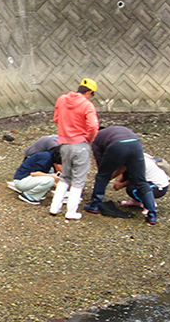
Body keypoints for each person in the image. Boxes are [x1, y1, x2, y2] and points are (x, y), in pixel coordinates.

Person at [84, 125, 158, 224]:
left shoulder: (97, 139)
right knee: (141, 181)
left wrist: (107, 174)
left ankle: (94, 206)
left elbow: (100, 164)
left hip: (117, 145)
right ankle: (152, 215)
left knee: (101, 177)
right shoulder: (116, 130)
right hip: (136, 144)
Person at [50, 78, 100, 219]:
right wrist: (88, 138)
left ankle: (55, 207)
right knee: (78, 180)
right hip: (80, 144)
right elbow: (94, 126)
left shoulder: (62, 99)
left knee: (65, 177)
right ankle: (71, 212)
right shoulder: (87, 105)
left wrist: (66, 127)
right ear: (89, 92)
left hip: (64, 144)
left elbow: (56, 118)